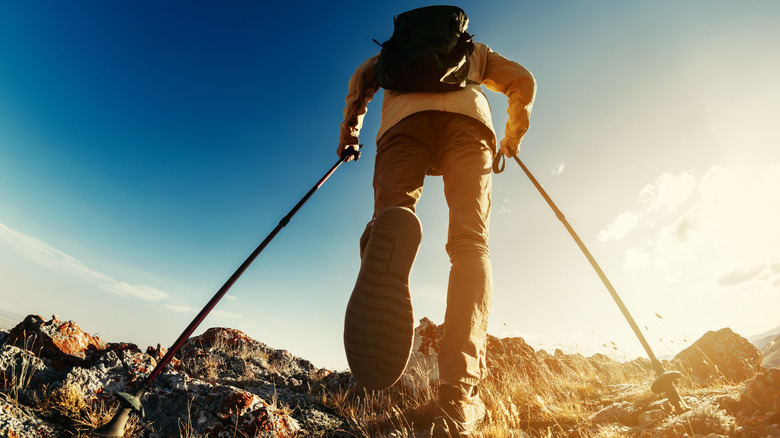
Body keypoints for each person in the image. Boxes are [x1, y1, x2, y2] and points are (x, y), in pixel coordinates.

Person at [338, 6, 536, 436]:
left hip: (401, 126)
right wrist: (512, 137)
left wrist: (349, 136)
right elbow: (523, 80)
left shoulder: (391, 55)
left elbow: (360, 82)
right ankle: (458, 394)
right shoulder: (475, 52)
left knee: (390, 219)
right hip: (469, 125)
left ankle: (385, 242)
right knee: (470, 245)